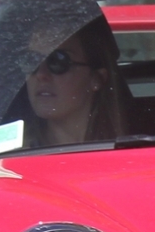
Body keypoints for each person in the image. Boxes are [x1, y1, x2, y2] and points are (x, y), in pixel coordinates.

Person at [18, 18, 124, 147]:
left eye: (58, 61)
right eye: (32, 61)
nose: (41, 75)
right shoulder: (7, 157)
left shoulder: (135, 152)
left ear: (97, 78)